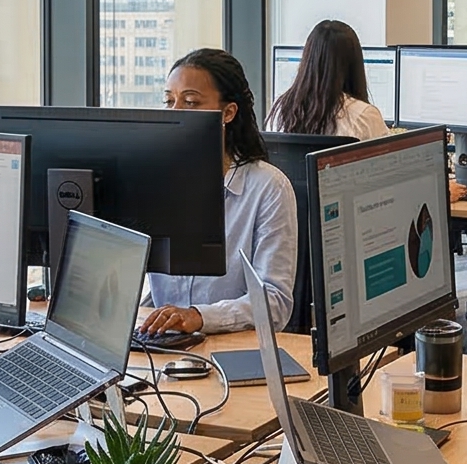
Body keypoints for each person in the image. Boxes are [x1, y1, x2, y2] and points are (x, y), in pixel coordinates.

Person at [141, 48, 299, 336]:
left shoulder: (268, 188)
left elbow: (274, 303)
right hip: (163, 348)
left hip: (231, 349)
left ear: (228, 112)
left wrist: (199, 317)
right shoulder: (155, 182)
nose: (175, 113)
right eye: (169, 101)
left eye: (190, 102)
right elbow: (150, 288)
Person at [267, 18, 392, 141]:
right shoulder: (364, 116)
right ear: (354, 65)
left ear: (308, 60)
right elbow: (390, 159)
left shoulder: (280, 109)